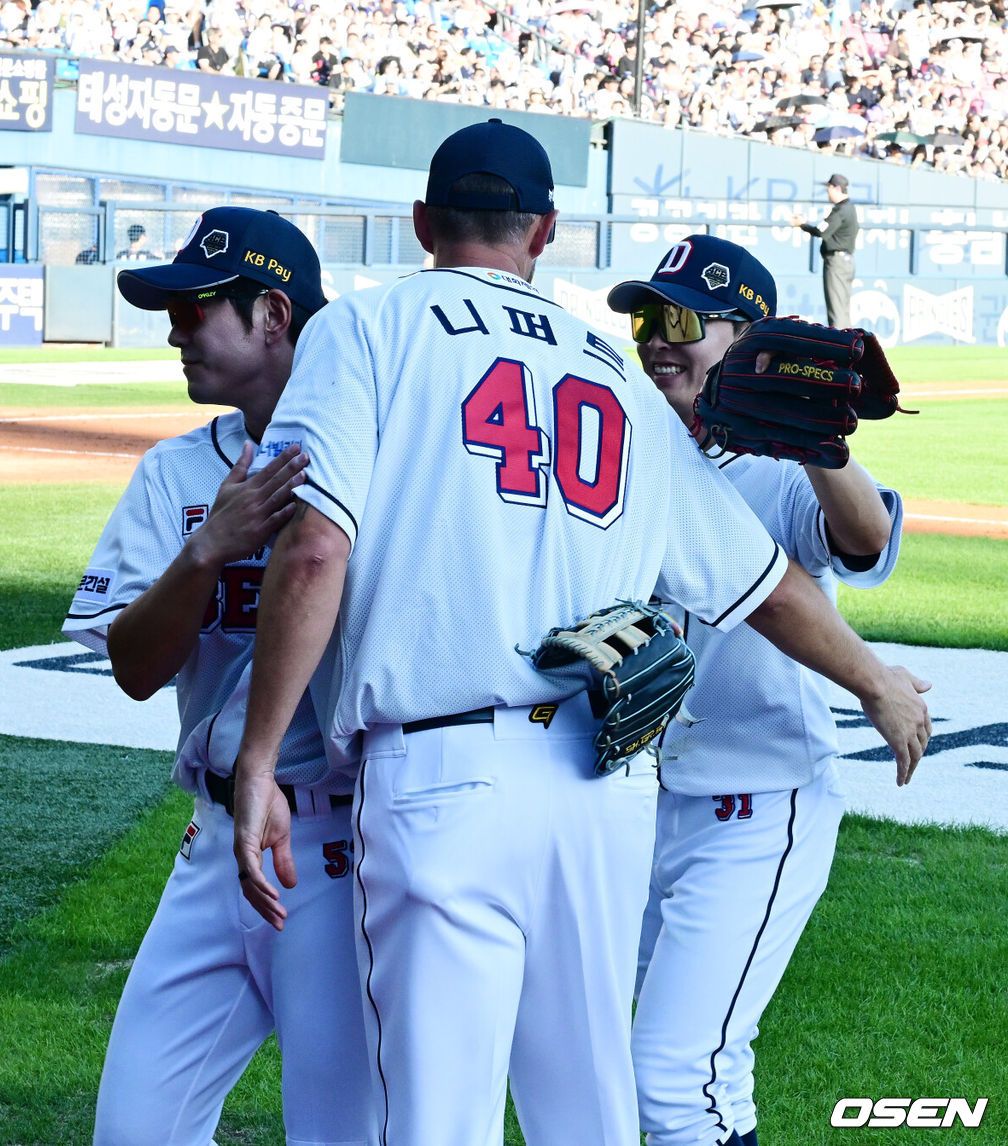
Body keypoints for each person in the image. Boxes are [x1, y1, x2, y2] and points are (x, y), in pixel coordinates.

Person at [229, 120, 929, 1146]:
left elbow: (315, 551)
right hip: (604, 795)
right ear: (545, 231)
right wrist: (874, 683)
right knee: (590, 1114)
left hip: (442, 779)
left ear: (424, 221)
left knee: (437, 1119)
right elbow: (766, 587)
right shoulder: (608, 369)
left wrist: (256, 757)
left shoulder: (371, 326)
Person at [62, 207, 375, 1146]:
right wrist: (207, 552)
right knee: (135, 1131)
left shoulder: (381, 458)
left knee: (340, 1135)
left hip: (346, 849)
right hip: (211, 843)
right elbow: (131, 668)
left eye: (195, 309)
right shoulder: (174, 472)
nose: (172, 330)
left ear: (272, 314)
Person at [608, 234, 905, 1146]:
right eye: (649, 317)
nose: (660, 339)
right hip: (647, 808)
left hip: (759, 806)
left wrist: (818, 439)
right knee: (673, 1069)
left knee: (672, 1078)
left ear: (749, 340)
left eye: (684, 320)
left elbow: (859, 540)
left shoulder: (781, 465)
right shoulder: (630, 450)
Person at [791, 173, 859, 328]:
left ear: (836, 188)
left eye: (829, 188)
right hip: (846, 260)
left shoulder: (841, 210)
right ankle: (850, 347)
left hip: (838, 262)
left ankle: (842, 349)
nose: (827, 192)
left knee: (837, 309)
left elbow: (821, 231)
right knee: (842, 309)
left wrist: (802, 224)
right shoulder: (850, 208)